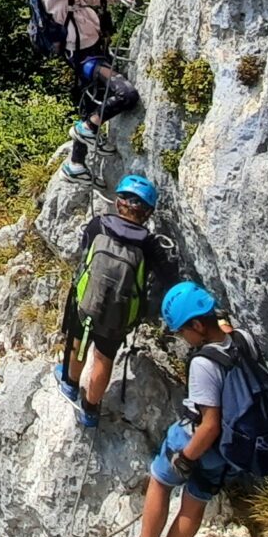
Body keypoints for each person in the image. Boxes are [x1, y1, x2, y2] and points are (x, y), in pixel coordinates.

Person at [126, 282, 246, 537]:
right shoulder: (243, 340)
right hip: (228, 448)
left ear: (197, 325)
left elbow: (210, 423)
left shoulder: (204, 364)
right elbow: (225, 330)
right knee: (196, 501)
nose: (182, 337)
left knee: (160, 481)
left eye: (182, 331)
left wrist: (186, 458)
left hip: (196, 438)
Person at [54, 172, 179, 430]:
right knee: (104, 357)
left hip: (87, 301)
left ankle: (70, 384)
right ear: (148, 212)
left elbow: (84, 254)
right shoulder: (149, 245)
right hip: (119, 314)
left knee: (78, 342)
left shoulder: (98, 225)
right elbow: (168, 279)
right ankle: (90, 410)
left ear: (118, 202)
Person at [16, 0, 146, 146]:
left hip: (88, 50)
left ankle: (78, 158)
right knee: (126, 94)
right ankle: (87, 129)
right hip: (86, 56)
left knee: (95, 97)